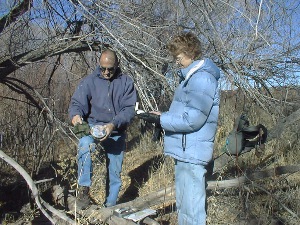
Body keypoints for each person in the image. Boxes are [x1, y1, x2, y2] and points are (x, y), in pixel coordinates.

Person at [138, 32, 220, 224]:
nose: (176, 61)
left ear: (190, 53)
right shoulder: (190, 78)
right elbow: (187, 112)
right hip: (186, 151)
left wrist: (163, 120)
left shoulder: (201, 79)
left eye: (178, 57)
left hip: (192, 152)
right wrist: (161, 116)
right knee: (186, 207)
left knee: (191, 211)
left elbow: (193, 120)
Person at [68, 49, 137, 208]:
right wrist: (76, 116)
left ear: (117, 65)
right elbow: (76, 104)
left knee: (114, 172)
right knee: (85, 145)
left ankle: (110, 207)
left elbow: (129, 110)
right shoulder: (89, 81)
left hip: (116, 130)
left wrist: (113, 124)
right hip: (92, 127)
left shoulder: (126, 82)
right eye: (103, 68)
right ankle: (84, 190)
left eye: (110, 69)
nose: (106, 72)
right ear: (99, 65)